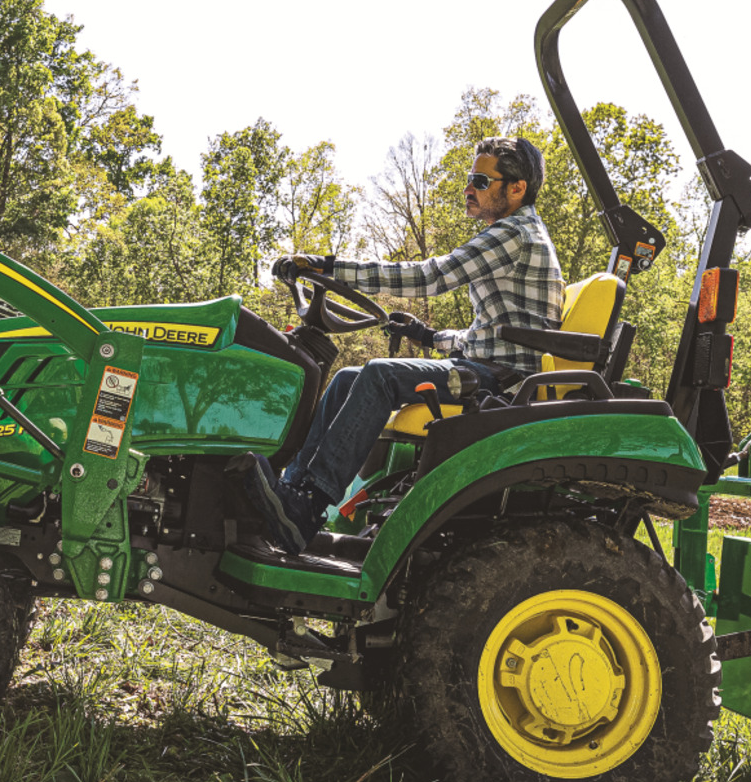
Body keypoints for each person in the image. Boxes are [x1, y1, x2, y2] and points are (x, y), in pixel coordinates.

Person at [241, 135, 564, 554]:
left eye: (481, 181)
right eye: (470, 178)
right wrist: (427, 337)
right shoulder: (514, 235)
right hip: (488, 367)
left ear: (516, 188)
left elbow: (429, 277)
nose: (468, 188)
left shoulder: (514, 234)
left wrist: (332, 268)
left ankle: (310, 503)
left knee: (378, 375)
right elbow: (492, 335)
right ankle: (288, 495)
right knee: (347, 380)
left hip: (503, 385)